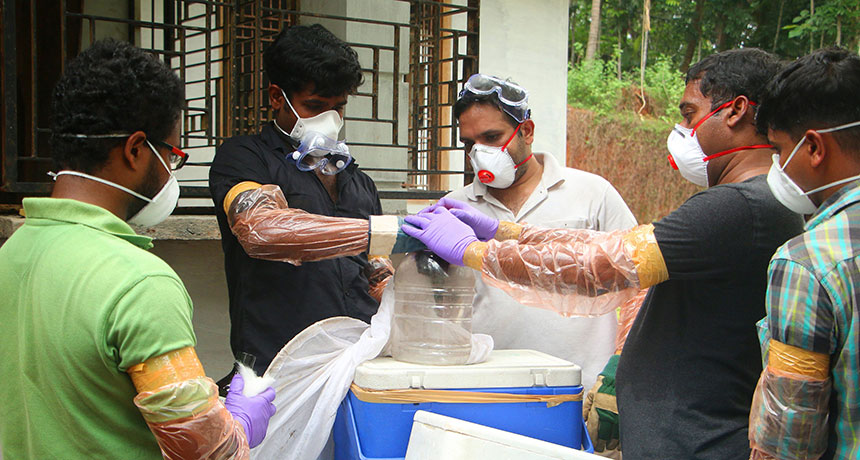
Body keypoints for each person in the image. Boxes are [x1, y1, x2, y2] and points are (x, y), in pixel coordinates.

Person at [403, 48, 805, 459]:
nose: (682, 129)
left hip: (696, 439)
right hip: (677, 431)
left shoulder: (735, 206)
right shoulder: (748, 202)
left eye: (688, 114)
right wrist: (509, 232)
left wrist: (473, 249)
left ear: (736, 111)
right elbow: (605, 253)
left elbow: (601, 265)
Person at [0, 39, 275, 459]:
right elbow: (209, 452)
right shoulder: (139, 283)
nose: (170, 172)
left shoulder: (13, 252)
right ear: (135, 149)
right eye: (172, 155)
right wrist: (239, 422)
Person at [209, 24, 417, 377]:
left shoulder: (356, 179)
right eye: (315, 106)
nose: (330, 120)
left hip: (355, 364)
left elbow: (374, 269)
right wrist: (384, 231)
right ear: (277, 97)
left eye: (338, 108)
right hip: (278, 367)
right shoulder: (246, 158)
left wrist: (416, 294)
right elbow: (262, 230)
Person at [438, 73, 636, 390]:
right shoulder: (454, 208)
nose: (480, 153)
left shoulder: (592, 193)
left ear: (526, 131)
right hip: (490, 386)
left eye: (492, 137)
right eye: (470, 143)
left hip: (582, 386)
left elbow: (638, 280)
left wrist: (618, 368)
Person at [748, 48, 860, 460]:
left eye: (778, 150)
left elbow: (789, 441)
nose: (776, 166)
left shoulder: (807, 263)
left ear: (814, 147)